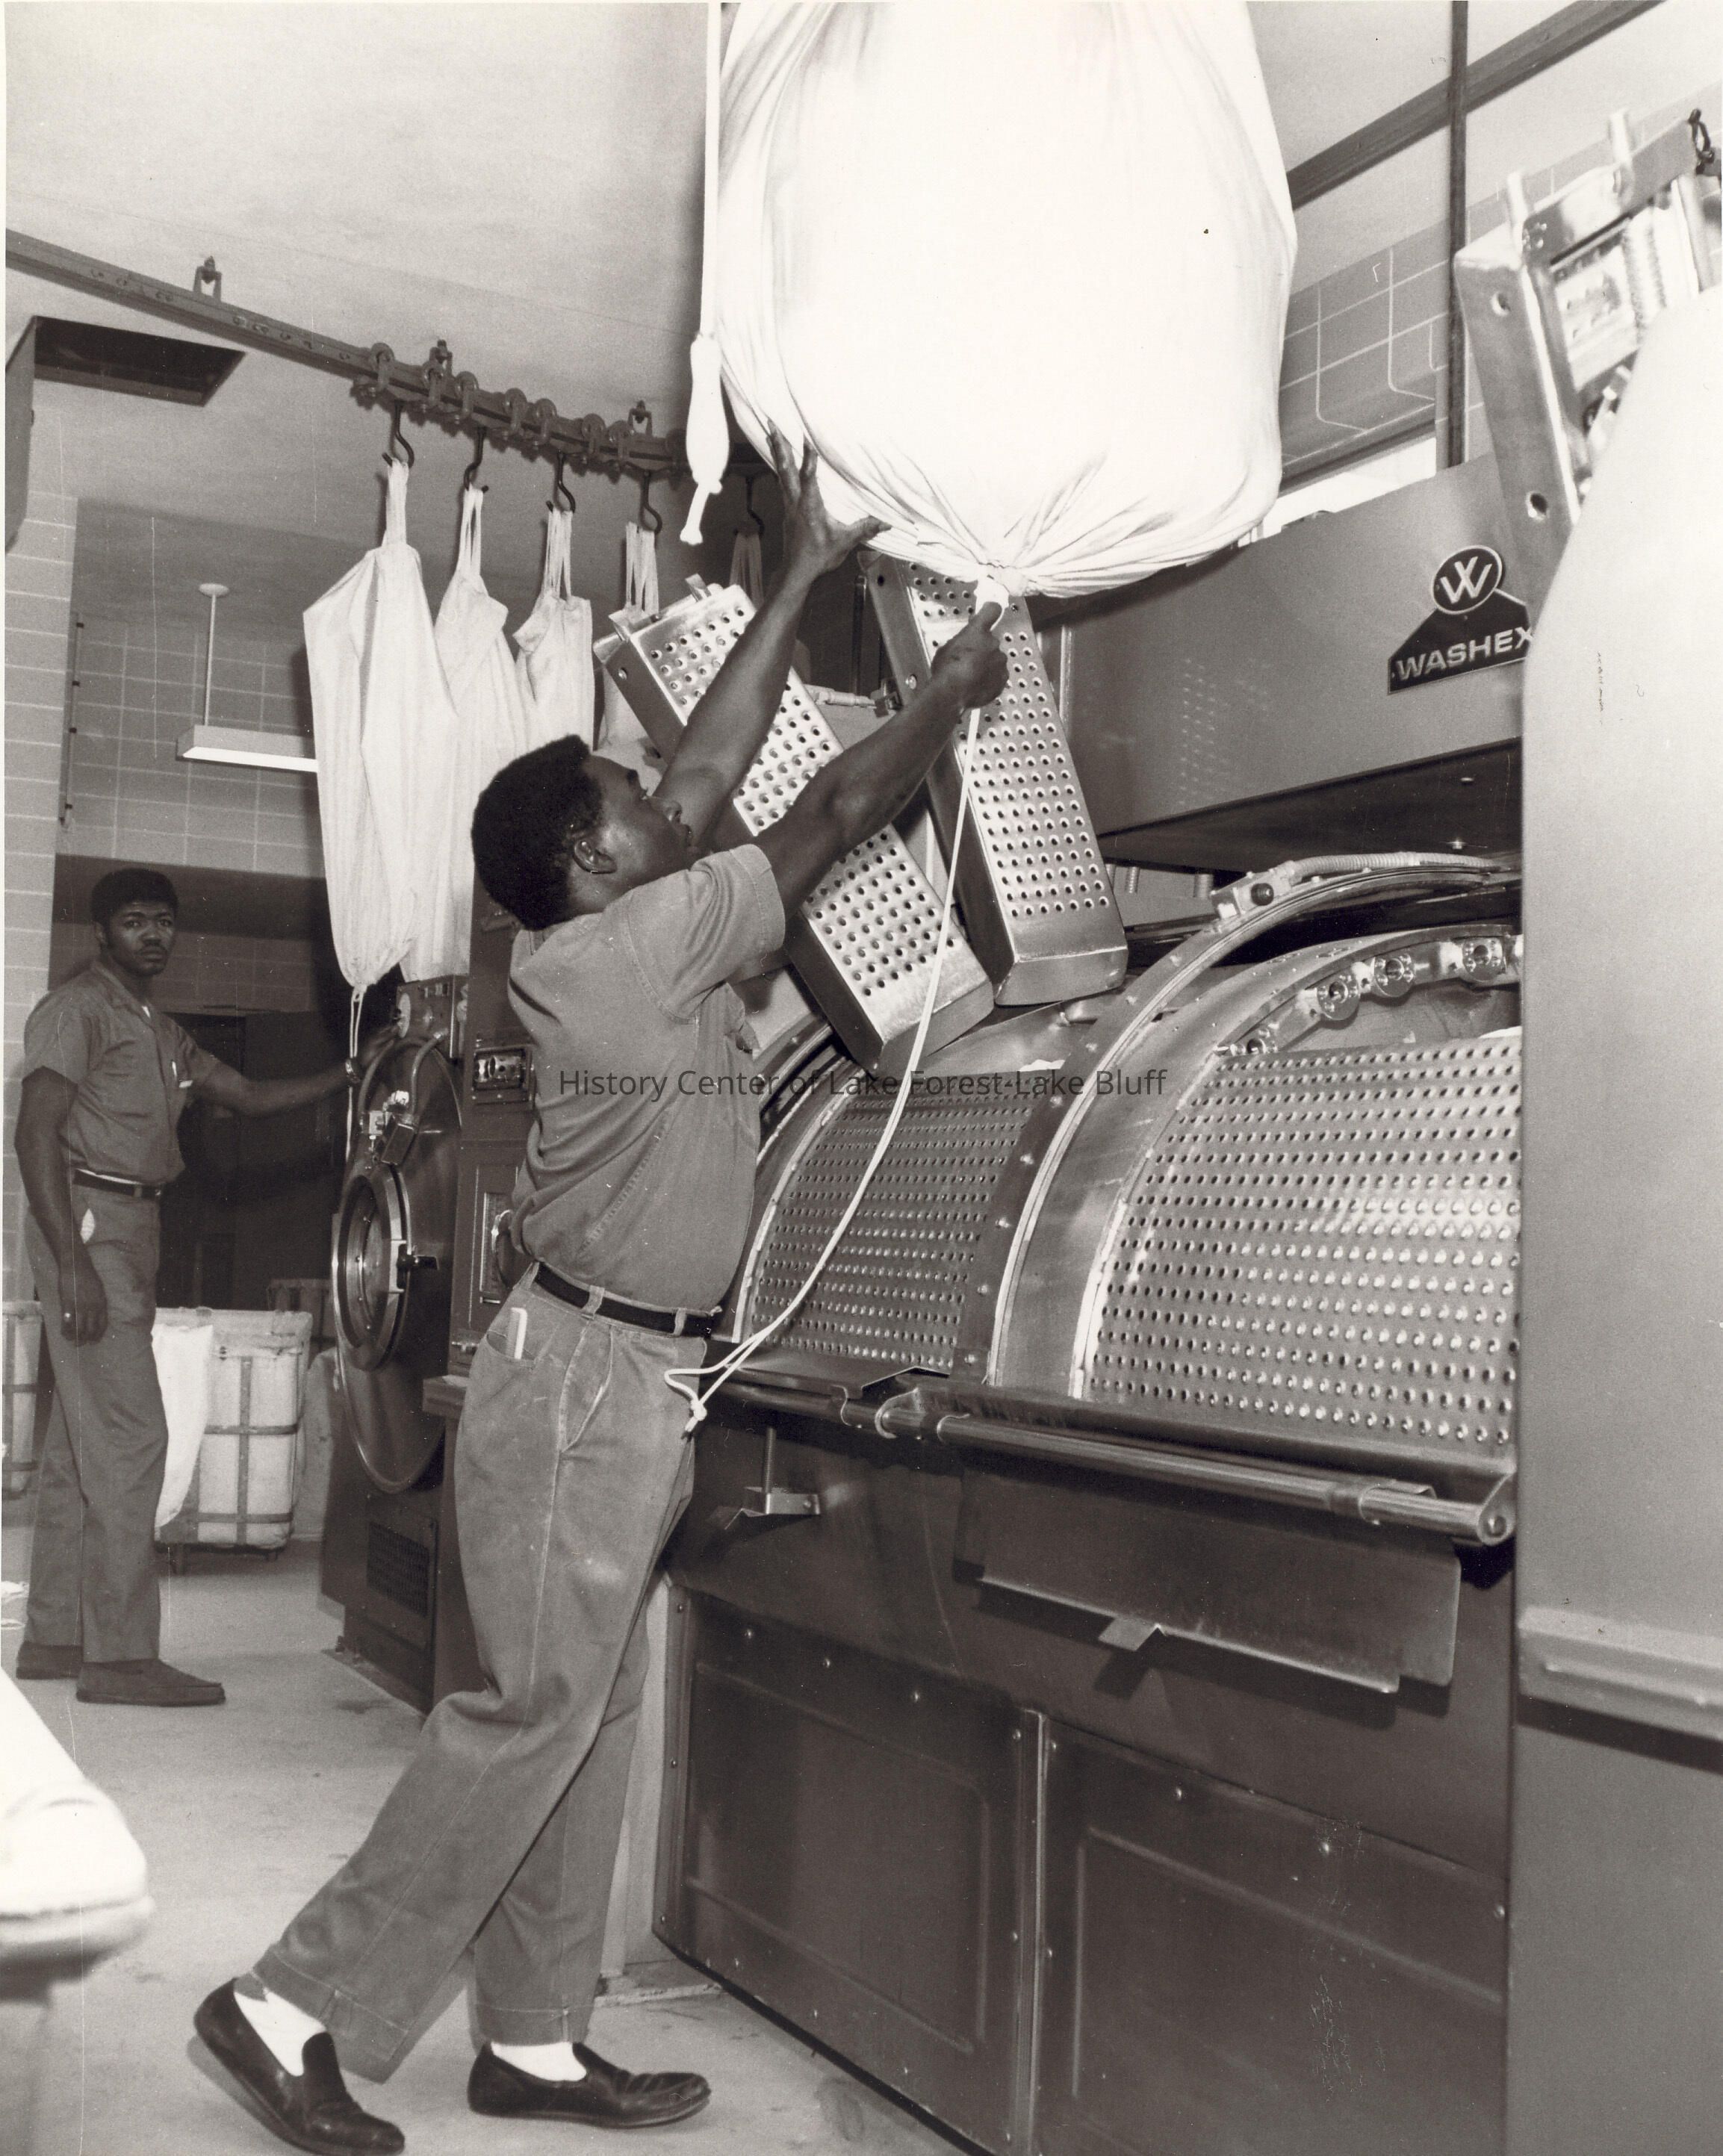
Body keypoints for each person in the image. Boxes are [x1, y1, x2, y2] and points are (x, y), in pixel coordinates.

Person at [193, 435, 1008, 2152]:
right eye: (629, 801)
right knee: (525, 1717)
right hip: (585, 1384)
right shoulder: (635, 949)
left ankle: (534, 2041)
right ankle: (286, 2003)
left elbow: (707, 769)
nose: (661, 795)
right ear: (596, 861)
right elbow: (824, 811)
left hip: (619, 1379)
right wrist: (943, 700)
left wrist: (805, 567)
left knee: (586, 1710)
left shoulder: (609, 922)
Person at [13, 866, 391, 1708]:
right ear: (102, 933)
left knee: (82, 1442)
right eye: (134, 921)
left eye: (163, 921)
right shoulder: (76, 1010)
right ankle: (120, 1658)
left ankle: (56, 1637)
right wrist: (70, 1260)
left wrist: (352, 1072)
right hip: (89, 1224)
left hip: (132, 1225)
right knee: (134, 1437)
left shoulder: (157, 1026)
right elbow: (34, 1132)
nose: (153, 935)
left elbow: (248, 1094)